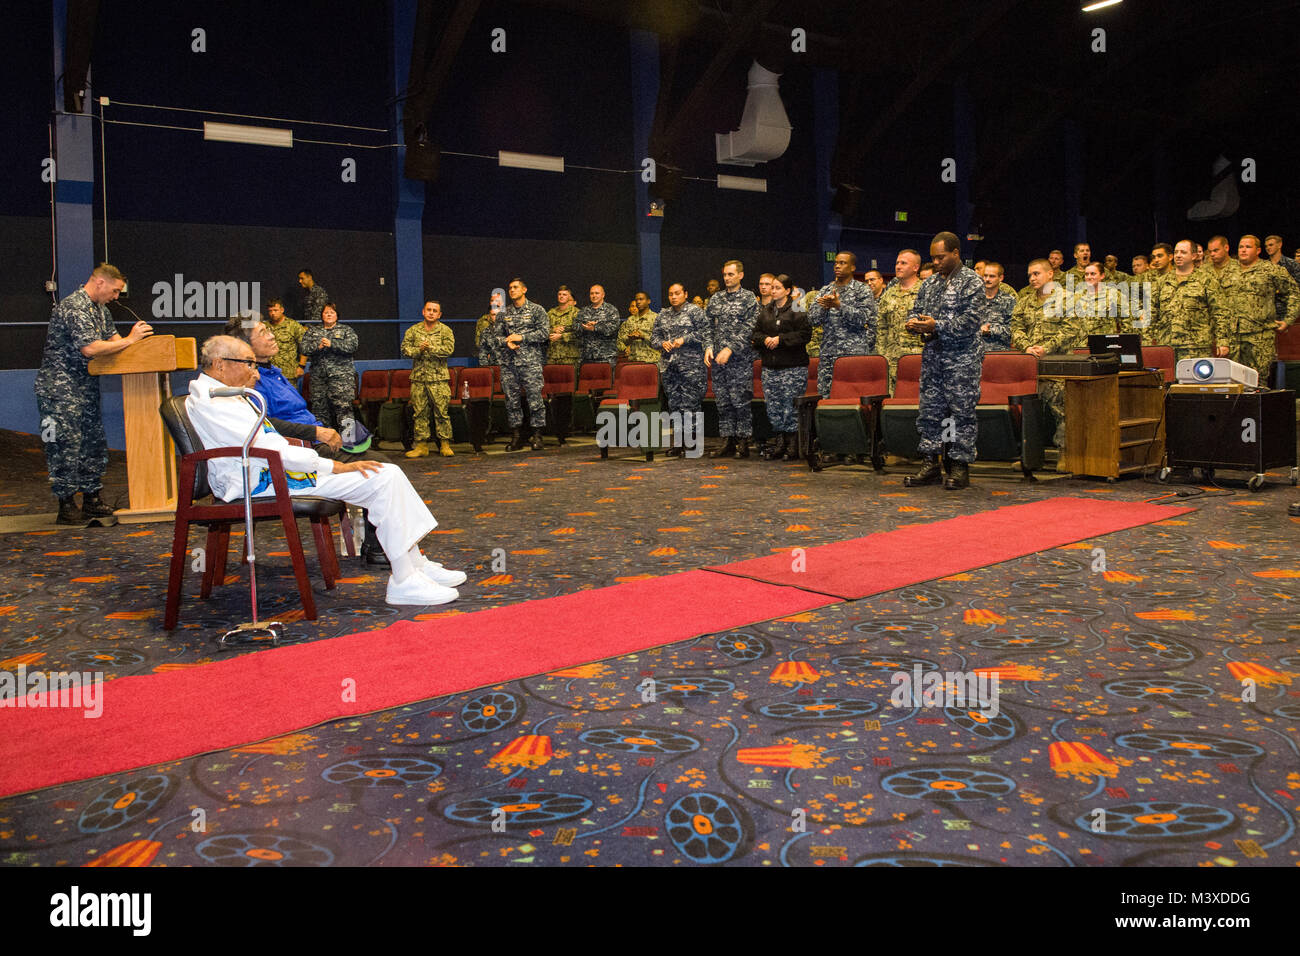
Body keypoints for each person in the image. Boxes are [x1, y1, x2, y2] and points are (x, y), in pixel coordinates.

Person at [187, 335, 466, 606]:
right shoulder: (213, 401)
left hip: (274, 470)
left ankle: (414, 565)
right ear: (220, 364)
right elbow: (272, 452)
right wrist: (335, 466)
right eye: (248, 363)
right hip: (262, 480)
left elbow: (270, 446)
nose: (255, 372)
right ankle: (404, 580)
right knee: (382, 478)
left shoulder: (226, 395)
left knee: (385, 472)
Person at [222, 316, 392, 566]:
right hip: (298, 449)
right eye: (263, 332)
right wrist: (317, 433)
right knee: (382, 467)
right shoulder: (251, 379)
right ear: (244, 345)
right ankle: (378, 548)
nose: (272, 335)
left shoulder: (273, 371)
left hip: (315, 438)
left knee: (379, 463)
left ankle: (376, 544)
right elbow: (264, 423)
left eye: (270, 330)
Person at [35, 263, 153, 524]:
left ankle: (91, 499)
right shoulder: (74, 306)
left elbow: (115, 342)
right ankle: (66, 505)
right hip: (59, 390)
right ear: (99, 282)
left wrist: (140, 346)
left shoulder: (101, 311)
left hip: (86, 388)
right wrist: (131, 340)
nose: (116, 297)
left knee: (92, 444)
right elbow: (90, 348)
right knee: (65, 446)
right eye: (114, 290)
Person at [903, 233, 984, 490]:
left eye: (941, 257)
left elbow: (971, 322)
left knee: (959, 414)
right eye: (933, 258)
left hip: (961, 359)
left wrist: (937, 325)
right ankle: (931, 463)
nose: (936, 262)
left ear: (956, 253)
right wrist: (914, 324)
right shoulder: (930, 284)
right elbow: (917, 311)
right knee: (931, 412)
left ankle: (958, 464)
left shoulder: (972, 282)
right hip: (933, 357)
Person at [1218, 235, 1298, 380]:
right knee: (1233, 383)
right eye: (1241, 247)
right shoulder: (1227, 271)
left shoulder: (1271, 270)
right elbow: (1218, 305)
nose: (1243, 250)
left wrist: (1288, 320)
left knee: (1257, 381)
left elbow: (1294, 293)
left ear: (1258, 250)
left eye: (1248, 247)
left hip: (1260, 336)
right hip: (1233, 337)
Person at [1011, 259, 1072, 449]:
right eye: (1030, 275)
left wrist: (1046, 348)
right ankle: (1030, 455)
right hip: (1032, 367)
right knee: (1031, 411)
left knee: (1062, 410)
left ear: (1050, 274)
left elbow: (1072, 330)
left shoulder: (1068, 299)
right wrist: (1027, 347)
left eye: (1036, 274)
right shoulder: (1025, 301)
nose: (1032, 278)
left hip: (1058, 366)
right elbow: (1015, 327)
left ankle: (1065, 453)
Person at [750, 274, 809, 461]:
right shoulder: (766, 311)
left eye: (777, 288)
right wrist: (765, 339)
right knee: (773, 406)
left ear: (788, 291)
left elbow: (805, 334)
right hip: (770, 366)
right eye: (772, 288)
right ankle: (780, 441)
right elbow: (755, 333)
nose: (773, 291)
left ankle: (793, 443)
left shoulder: (797, 310)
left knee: (789, 406)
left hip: (792, 367)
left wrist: (781, 339)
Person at [705, 260, 760, 458]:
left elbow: (749, 328)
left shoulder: (749, 299)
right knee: (723, 401)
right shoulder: (716, 299)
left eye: (731, 274)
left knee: (740, 400)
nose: (727, 278)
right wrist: (709, 347)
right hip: (718, 361)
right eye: (725, 275)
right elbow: (707, 326)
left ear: (741, 275)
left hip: (739, 359)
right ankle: (727, 440)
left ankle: (743, 441)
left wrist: (730, 348)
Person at [809, 251, 877, 399]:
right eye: (836, 263)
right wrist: (824, 306)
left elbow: (863, 318)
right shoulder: (825, 290)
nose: (837, 266)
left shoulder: (862, 290)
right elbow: (813, 319)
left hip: (853, 355)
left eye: (842, 263)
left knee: (852, 398)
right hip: (828, 355)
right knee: (826, 399)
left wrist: (840, 306)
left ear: (852, 267)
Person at [652, 282, 708, 458]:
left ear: (685, 294)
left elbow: (706, 333)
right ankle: (678, 443)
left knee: (690, 406)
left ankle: (693, 442)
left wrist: (685, 339)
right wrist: (662, 343)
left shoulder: (695, 312)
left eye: (677, 293)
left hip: (691, 367)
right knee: (674, 406)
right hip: (670, 367)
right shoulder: (663, 315)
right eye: (671, 294)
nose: (674, 297)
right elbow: (654, 337)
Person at [497, 277, 549, 451]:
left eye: (515, 287)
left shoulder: (537, 310)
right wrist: (506, 342)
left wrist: (523, 337)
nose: (512, 290)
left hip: (531, 362)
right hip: (509, 364)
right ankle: (517, 436)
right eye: (510, 287)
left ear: (524, 290)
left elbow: (544, 333)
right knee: (512, 401)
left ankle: (537, 435)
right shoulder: (504, 313)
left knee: (535, 399)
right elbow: (496, 336)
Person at [402, 300, 456, 459]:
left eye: (435, 311)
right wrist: (419, 350)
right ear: (423, 312)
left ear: (439, 314)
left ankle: (445, 444)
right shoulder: (413, 331)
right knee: (419, 413)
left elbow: (449, 350)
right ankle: (421, 445)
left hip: (439, 379)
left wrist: (430, 348)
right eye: (429, 310)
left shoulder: (445, 331)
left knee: (441, 412)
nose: (431, 312)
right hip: (419, 378)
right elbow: (405, 349)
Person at [299, 302, 359, 431]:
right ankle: (323, 442)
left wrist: (333, 344)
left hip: (341, 378)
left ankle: (349, 442)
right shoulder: (313, 331)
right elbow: (303, 348)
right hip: (318, 378)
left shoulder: (346, 330)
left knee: (344, 409)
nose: (329, 315)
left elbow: (352, 346)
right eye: (326, 312)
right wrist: (317, 346)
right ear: (321, 315)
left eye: (332, 312)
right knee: (319, 409)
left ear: (337, 315)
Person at [877, 249, 923, 391]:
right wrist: (882, 354)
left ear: (915, 268)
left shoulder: (925, 291)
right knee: (894, 404)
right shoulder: (889, 293)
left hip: (918, 359)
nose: (898, 266)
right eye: (897, 263)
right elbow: (881, 326)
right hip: (891, 360)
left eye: (903, 263)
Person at [577, 285, 621, 369]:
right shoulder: (584, 311)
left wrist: (595, 327)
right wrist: (585, 326)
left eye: (597, 293)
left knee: (606, 382)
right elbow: (575, 326)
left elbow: (613, 328)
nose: (594, 296)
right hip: (587, 356)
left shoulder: (611, 310)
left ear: (603, 295)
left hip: (606, 356)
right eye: (592, 293)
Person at [264, 298, 305, 381]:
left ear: (282, 310)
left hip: (288, 374)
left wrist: (301, 366)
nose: (273, 313)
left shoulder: (293, 325)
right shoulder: (264, 326)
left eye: (275, 310)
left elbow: (304, 346)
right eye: (270, 311)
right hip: (269, 373)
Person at [978, 262, 1016, 352]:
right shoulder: (974, 300)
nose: (987, 279)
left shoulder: (1009, 300)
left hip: (999, 352)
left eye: (992, 276)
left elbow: (1014, 329)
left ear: (1001, 278)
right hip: (974, 353)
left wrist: (991, 330)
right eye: (985, 275)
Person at [618, 291, 659, 364]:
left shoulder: (656, 318)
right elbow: (622, 339)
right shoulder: (630, 319)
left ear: (648, 301)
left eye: (641, 299)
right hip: (634, 360)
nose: (638, 302)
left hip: (652, 361)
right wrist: (630, 338)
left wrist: (643, 336)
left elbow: (660, 341)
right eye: (636, 300)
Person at [547, 286, 581, 372]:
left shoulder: (576, 313)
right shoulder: (551, 313)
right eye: (560, 294)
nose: (561, 296)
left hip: (570, 356)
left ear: (569, 297)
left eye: (565, 294)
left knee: (570, 384)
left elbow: (580, 332)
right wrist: (553, 330)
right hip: (552, 355)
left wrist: (562, 336)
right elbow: (542, 330)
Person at [476, 289, 504, 367]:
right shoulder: (486, 330)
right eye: (493, 315)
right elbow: (482, 351)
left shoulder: (510, 327)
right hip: (493, 364)